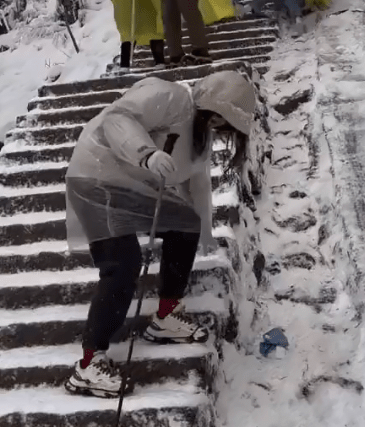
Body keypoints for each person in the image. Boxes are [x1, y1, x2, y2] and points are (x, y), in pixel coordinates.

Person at [64, 70, 256, 397]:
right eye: (218, 122)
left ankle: (165, 314)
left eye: (224, 129)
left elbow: (195, 185)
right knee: (123, 264)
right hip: (95, 177)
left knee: (184, 223)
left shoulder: (199, 137)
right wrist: (147, 154)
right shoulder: (168, 96)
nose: (218, 132)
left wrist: (202, 231)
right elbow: (117, 119)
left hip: (132, 187)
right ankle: (87, 364)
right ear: (212, 109)